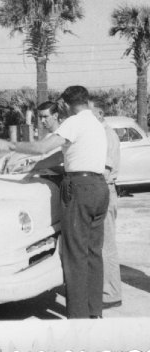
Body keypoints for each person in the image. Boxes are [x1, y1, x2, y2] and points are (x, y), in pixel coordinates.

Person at [0, 85, 109, 319]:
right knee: (93, 253)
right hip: (99, 187)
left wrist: (12, 146)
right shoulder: (95, 123)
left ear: (65, 104)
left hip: (79, 187)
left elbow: (43, 147)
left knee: (74, 254)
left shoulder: (74, 122)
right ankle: (94, 312)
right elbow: (64, 154)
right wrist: (34, 166)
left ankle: (78, 318)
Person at [89, 95, 122, 310]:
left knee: (107, 246)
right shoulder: (96, 134)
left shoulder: (107, 135)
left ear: (100, 114)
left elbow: (104, 170)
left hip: (105, 190)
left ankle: (111, 294)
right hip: (99, 190)